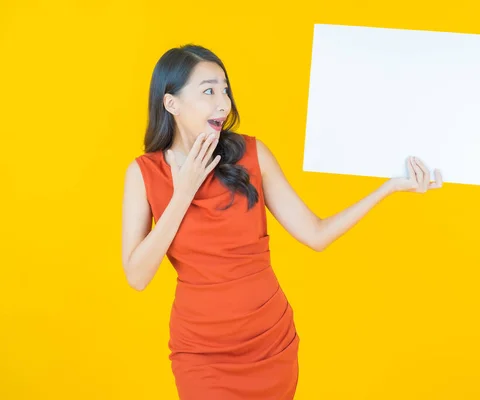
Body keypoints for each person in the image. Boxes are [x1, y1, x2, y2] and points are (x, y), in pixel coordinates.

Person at [120, 43, 443, 400]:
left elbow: (316, 234)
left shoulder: (252, 154)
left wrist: (389, 188)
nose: (222, 103)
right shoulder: (143, 174)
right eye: (208, 91)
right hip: (201, 353)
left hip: (269, 341)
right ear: (172, 103)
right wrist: (183, 193)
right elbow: (137, 276)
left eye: (224, 89)